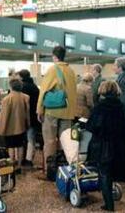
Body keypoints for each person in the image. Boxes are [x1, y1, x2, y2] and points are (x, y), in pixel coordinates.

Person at [86, 81, 125, 212]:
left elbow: (92, 126)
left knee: (104, 174)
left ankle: (109, 204)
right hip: (117, 144)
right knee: (110, 173)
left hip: (102, 145)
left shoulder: (100, 107)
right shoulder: (120, 106)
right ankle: (110, 199)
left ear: (102, 90)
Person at [37, 46, 77, 175]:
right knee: (65, 141)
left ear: (54, 56)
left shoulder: (53, 69)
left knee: (49, 141)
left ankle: (50, 171)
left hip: (53, 111)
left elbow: (44, 91)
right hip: (68, 111)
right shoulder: (71, 71)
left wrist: (39, 110)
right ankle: (65, 169)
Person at [0, 78, 30, 172]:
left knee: (11, 146)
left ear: (11, 86)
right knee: (20, 146)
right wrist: (28, 124)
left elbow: (4, 116)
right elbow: (27, 113)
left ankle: (12, 165)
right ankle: (19, 165)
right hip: (22, 126)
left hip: (10, 127)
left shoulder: (7, 99)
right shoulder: (25, 97)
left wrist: (1, 129)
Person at [18, 69, 40, 167]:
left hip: (23, 116)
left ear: (21, 77)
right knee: (31, 138)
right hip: (34, 116)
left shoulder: (21, 87)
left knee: (22, 138)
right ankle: (29, 159)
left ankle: (20, 158)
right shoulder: (35, 87)